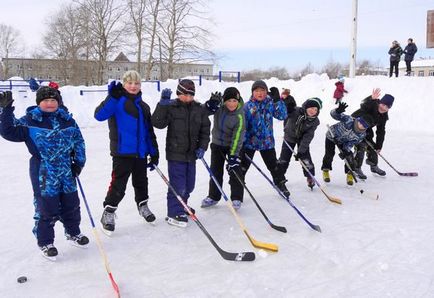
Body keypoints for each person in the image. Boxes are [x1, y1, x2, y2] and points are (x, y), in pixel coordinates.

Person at [0, 87, 89, 260]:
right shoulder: (30, 120)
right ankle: (45, 242)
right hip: (44, 172)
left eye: (53, 100)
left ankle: (73, 233)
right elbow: (8, 131)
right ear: (39, 102)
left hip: (66, 170)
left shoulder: (67, 120)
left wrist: (78, 163)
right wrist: (6, 110)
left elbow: (79, 141)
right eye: (45, 100)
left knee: (71, 204)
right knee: (47, 207)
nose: (50, 103)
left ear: (58, 102)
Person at [94, 70, 159, 234]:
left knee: (141, 182)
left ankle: (143, 205)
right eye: (129, 83)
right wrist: (112, 98)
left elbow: (149, 131)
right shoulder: (117, 101)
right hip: (122, 152)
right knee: (118, 184)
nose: (133, 86)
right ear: (124, 84)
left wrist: (154, 152)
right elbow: (99, 115)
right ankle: (108, 212)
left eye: (136, 83)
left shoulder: (144, 107)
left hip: (141, 153)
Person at [152, 79, 210, 227]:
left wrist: (202, 147)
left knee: (189, 185)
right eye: (184, 94)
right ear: (178, 93)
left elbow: (205, 131)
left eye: (191, 95)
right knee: (178, 185)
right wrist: (162, 105)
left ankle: (182, 205)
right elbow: (158, 123)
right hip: (175, 153)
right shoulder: (172, 106)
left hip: (191, 154)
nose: (188, 98)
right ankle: (174, 212)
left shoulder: (198, 108)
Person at [239, 80, 290, 197]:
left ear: (266, 92)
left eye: (262, 90)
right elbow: (242, 126)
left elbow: (282, 116)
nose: (260, 93)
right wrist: (241, 144)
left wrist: (278, 101)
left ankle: (281, 184)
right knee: (242, 168)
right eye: (256, 91)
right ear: (252, 92)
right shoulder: (247, 106)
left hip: (267, 143)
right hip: (249, 143)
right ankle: (237, 191)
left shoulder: (270, 104)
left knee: (274, 167)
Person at [201, 87, 246, 210]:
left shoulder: (240, 115)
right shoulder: (219, 108)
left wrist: (233, 155)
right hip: (217, 145)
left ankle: (236, 197)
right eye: (229, 101)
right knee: (215, 171)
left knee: (235, 170)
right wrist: (209, 105)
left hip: (233, 145)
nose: (232, 104)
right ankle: (214, 196)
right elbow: (202, 112)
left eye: (234, 101)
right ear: (224, 101)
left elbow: (238, 136)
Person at [321, 102, 374, 185]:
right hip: (332, 136)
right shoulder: (349, 120)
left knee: (349, 156)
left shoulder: (361, 135)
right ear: (358, 119)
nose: (360, 126)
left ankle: (350, 173)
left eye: (364, 126)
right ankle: (325, 169)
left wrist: (346, 150)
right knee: (329, 154)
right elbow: (334, 114)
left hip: (343, 142)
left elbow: (351, 143)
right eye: (360, 122)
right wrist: (338, 111)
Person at [277, 97, 322, 189]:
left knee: (305, 158)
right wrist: (288, 110)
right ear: (306, 108)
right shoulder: (296, 111)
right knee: (284, 158)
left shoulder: (315, 121)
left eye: (315, 109)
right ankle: (279, 176)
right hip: (289, 136)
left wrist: (301, 151)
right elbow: (286, 114)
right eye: (310, 108)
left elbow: (308, 137)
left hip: (302, 139)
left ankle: (310, 176)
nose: (312, 111)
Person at [351, 88, 394, 177]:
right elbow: (363, 106)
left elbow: (381, 131)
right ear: (379, 102)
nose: (383, 108)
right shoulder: (372, 104)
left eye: (387, 107)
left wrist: (379, 146)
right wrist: (371, 98)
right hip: (355, 125)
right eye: (382, 104)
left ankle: (374, 165)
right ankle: (356, 168)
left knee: (373, 147)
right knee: (361, 146)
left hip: (366, 129)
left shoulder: (383, 116)